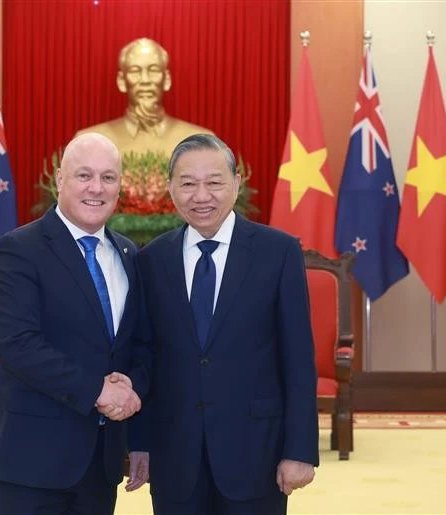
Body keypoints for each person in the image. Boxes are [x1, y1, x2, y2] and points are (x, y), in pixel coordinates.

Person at [132, 134, 319, 514]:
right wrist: (139, 443)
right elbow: (144, 354)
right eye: (187, 183)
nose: (201, 196)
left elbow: (297, 358)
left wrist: (299, 450)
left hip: (256, 454)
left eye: (214, 182)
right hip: (174, 457)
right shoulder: (151, 260)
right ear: (170, 189)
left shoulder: (278, 253)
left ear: (236, 183)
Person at [0, 133, 151, 515]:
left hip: (100, 462)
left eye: (108, 177)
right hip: (29, 458)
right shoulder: (18, 250)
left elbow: (139, 345)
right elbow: (19, 346)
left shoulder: (129, 254)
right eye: (84, 175)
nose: (96, 188)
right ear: (59, 179)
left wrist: (133, 394)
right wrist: (99, 391)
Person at [76, 37, 213, 156]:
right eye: (135, 71)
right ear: (122, 81)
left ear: (166, 80)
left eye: (154, 70)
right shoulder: (88, 141)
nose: (145, 80)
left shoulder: (200, 142)